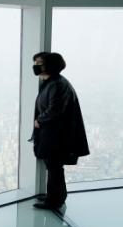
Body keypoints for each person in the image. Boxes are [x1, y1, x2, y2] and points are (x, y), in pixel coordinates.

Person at [29, 52, 89, 209]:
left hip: (56, 136)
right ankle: (55, 197)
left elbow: (55, 109)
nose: (35, 66)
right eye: (35, 62)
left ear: (50, 65)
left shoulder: (57, 84)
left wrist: (39, 120)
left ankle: (55, 200)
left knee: (54, 167)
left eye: (39, 63)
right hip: (54, 134)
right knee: (54, 167)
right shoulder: (53, 82)